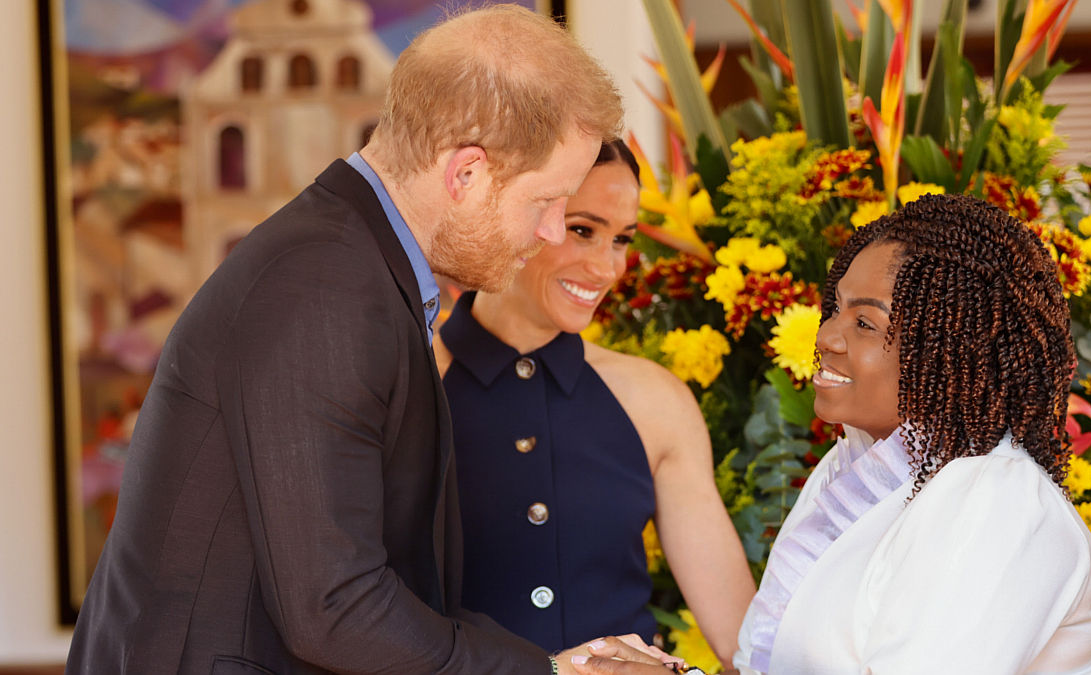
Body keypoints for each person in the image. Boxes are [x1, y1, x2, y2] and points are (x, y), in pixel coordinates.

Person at [66, 6, 662, 674]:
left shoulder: (355, 266)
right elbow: (335, 609)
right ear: (466, 174)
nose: (552, 231)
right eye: (544, 201)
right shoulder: (324, 287)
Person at [576, 193, 1091, 675]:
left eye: (865, 323)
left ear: (951, 350)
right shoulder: (852, 471)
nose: (827, 335)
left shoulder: (1000, 503)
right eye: (835, 308)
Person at [432, 140, 757, 668]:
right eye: (583, 229)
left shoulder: (656, 400)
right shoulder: (413, 383)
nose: (607, 268)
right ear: (513, 212)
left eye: (621, 239)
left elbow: (747, 642)